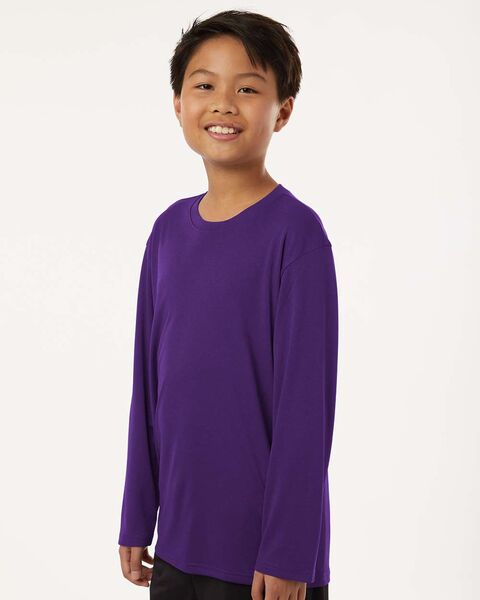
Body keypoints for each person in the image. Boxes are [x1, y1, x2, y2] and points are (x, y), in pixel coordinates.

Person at [117, 9, 338, 600]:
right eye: (204, 85)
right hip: (177, 545)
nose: (222, 104)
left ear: (282, 111)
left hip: (264, 562)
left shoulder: (296, 236)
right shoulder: (167, 232)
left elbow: (306, 411)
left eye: (247, 89)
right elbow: (148, 386)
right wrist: (137, 513)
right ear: (178, 104)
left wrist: (290, 551)